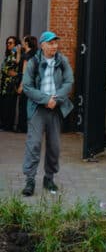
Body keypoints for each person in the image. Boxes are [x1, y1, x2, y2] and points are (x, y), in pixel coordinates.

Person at [20, 31, 74, 196]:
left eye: (56, 43)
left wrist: (56, 99)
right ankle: (30, 180)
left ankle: (49, 178)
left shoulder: (62, 61)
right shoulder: (33, 62)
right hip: (38, 108)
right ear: (42, 45)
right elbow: (27, 87)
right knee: (34, 144)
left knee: (54, 146)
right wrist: (45, 99)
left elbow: (69, 82)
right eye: (51, 43)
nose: (54, 46)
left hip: (55, 108)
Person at [14, 35, 37, 133]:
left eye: (23, 41)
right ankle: (25, 127)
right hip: (32, 83)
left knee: (23, 105)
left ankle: (22, 127)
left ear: (27, 43)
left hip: (26, 83)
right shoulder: (31, 54)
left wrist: (21, 86)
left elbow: (25, 72)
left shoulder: (28, 56)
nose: (22, 42)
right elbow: (18, 62)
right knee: (27, 105)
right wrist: (19, 52)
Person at [1, 36, 21, 130]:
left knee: (9, 106)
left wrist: (18, 50)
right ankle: (4, 125)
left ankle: (8, 126)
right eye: (7, 43)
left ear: (15, 44)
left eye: (10, 43)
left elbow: (16, 63)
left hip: (11, 85)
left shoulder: (15, 54)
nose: (8, 45)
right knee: (4, 105)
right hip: (4, 84)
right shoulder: (9, 55)